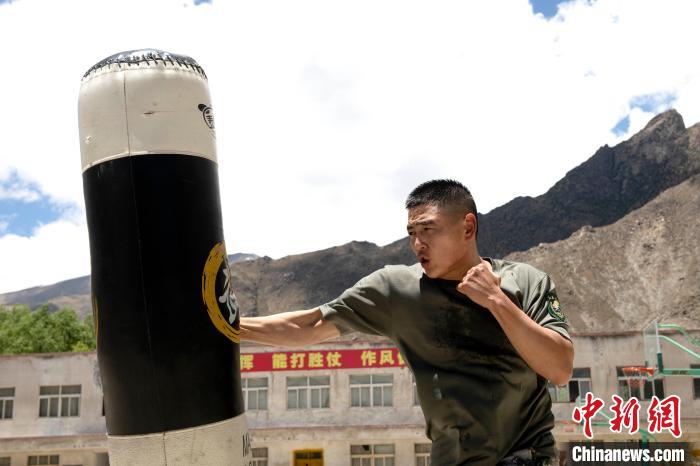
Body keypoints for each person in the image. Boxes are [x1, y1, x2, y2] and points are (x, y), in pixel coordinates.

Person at [240, 179, 574, 466]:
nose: (417, 244)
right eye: (412, 233)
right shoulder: (396, 289)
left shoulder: (527, 282)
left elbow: (559, 369)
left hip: (527, 458)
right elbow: (310, 325)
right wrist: (229, 326)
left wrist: (496, 300)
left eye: (428, 230)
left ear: (468, 227)